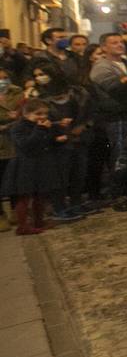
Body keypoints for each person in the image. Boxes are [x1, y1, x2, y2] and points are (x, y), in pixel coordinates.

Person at [89, 32, 127, 211]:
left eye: (121, 42)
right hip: (116, 117)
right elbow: (117, 88)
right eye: (114, 42)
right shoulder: (101, 67)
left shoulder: (126, 63)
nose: (120, 45)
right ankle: (117, 194)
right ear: (104, 47)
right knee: (120, 155)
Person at [27, 59, 94, 221]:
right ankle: (60, 207)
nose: (39, 78)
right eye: (36, 75)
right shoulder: (38, 97)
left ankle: (76, 202)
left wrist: (83, 126)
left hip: (79, 138)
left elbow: (90, 113)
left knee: (79, 173)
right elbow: (35, 119)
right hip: (55, 143)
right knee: (59, 177)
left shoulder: (77, 92)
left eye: (42, 74)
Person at [1, 98, 64, 234]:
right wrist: (41, 129)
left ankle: (39, 222)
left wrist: (57, 139)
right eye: (38, 114)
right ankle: (22, 226)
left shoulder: (41, 126)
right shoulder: (18, 127)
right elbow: (26, 145)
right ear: (26, 113)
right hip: (25, 165)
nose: (43, 117)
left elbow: (45, 142)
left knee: (40, 194)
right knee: (24, 196)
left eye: (45, 114)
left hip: (40, 163)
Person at [0, 68, 23, 231]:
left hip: (14, 142)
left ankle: (17, 211)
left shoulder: (17, 92)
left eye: (5, 78)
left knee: (15, 179)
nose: (2, 81)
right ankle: (1, 215)